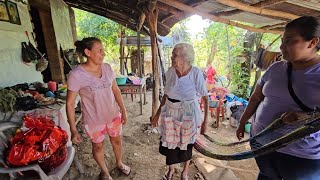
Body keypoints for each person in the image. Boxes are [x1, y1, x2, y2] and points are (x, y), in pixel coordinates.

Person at [236, 16, 320, 180]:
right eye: (282, 41)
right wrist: (242, 122)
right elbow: (255, 98)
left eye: (289, 41)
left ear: (312, 43)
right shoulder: (276, 68)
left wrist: (305, 117)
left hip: (300, 156)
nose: (282, 47)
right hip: (261, 143)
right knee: (266, 175)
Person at [66, 37, 130, 180]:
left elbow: (116, 90)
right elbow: (70, 104)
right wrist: (73, 128)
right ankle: (105, 172)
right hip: (94, 120)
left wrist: (123, 110)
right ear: (88, 52)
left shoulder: (107, 68)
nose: (103, 53)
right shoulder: (76, 75)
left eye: (103, 50)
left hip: (113, 115)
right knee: (98, 147)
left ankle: (119, 163)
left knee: (117, 141)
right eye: (99, 50)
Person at [151, 43, 208, 180]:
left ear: (185, 58)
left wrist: (205, 121)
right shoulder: (170, 71)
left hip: (188, 113)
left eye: (174, 54)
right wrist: (157, 114)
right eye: (172, 54)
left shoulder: (195, 73)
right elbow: (166, 95)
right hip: (170, 111)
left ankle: (185, 172)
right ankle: (171, 170)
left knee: (187, 143)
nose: (171, 57)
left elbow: (205, 97)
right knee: (170, 142)